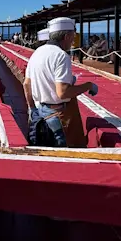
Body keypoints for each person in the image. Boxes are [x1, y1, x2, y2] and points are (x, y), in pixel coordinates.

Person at [23, 17, 98, 148]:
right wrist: (89, 85)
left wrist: (33, 109)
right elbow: (62, 93)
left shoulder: (37, 53)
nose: (73, 40)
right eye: (73, 36)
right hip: (58, 118)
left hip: (40, 113)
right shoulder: (61, 56)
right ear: (67, 36)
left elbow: (26, 84)